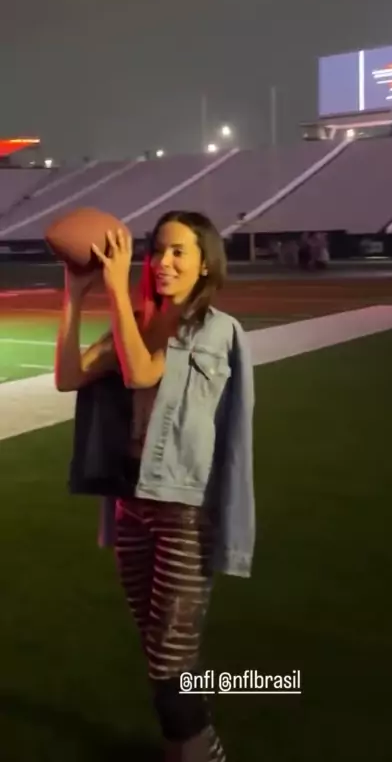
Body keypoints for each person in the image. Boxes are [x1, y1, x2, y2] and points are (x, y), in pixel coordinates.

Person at [54, 210, 255, 762]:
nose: (164, 262)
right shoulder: (137, 325)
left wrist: (117, 291)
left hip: (184, 510)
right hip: (132, 504)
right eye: (158, 251)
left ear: (204, 263)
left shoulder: (213, 329)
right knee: (160, 648)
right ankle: (186, 745)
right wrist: (75, 296)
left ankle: (202, 752)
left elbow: (142, 373)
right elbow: (68, 376)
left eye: (179, 252)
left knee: (169, 658)